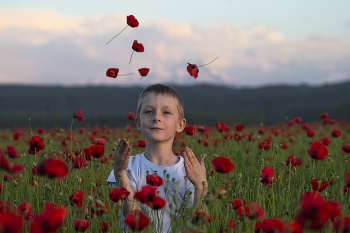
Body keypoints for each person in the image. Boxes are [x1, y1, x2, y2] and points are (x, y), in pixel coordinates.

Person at [107, 84, 208, 233]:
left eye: (166, 112)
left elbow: (200, 224)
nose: (156, 118)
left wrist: (201, 187)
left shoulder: (189, 171)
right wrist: (120, 171)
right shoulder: (130, 166)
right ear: (138, 123)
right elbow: (132, 214)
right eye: (149, 111)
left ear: (180, 125)